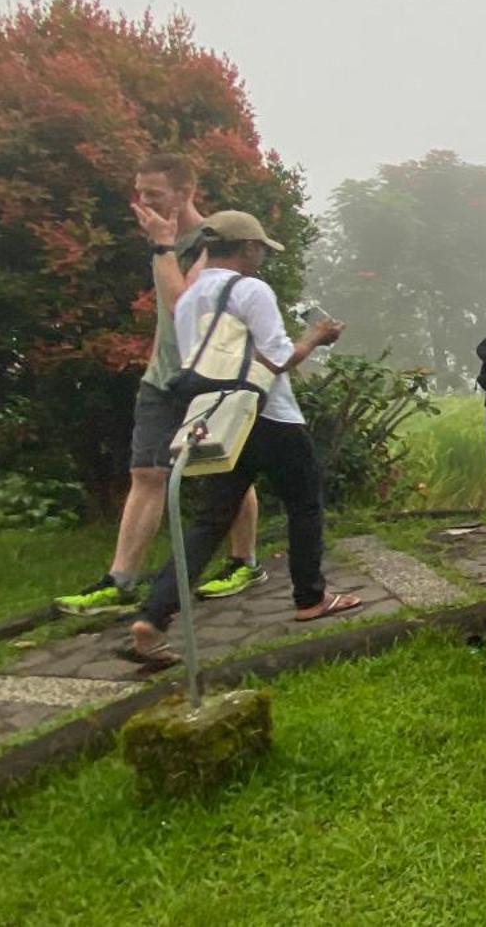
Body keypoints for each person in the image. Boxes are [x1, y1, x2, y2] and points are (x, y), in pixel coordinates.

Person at [122, 211, 354, 666]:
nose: (264, 256)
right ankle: (311, 597)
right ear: (246, 247)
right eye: (261, 248)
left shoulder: (189, 300)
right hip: (270, 415)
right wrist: (318, 336)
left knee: (211, 520)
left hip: (221, 419)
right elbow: (280, 359)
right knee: (304, 503)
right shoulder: (252, 290)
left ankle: (153, 616)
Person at [56, 155, 262, 616]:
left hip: (211, 375)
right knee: (147, 474)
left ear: (185, 190)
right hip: (163, 376)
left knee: (226, 469)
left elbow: (182, 307)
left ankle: (243, 561)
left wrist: (162, 247)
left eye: (154, 194)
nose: (143, 202)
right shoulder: (166, 243)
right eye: (140, 192)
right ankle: (120, 579)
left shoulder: (212, 241)